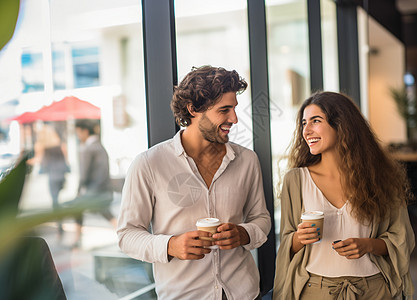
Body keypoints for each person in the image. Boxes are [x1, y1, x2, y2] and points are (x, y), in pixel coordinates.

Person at [117, 65, 271, 300]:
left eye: (234, 109)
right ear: (193, 109)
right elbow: (127, 235)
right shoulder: (149, 164)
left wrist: (244, 233)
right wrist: (170, 246)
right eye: (224, 110)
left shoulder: (247, 160)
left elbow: (261, 219)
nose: (234, 119)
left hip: (244, 293)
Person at [273, 92, 415, 300]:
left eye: (316, 121)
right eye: (304, 123)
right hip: (315, 290)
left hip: (374, 290)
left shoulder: (380, 178)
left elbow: (402, 239)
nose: (306, 130)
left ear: (342, 125)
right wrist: (299, 238)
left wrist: (368, 245)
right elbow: (287, 243)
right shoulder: (295, 180)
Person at [71, 119, 117, 248]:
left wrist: (79, 191)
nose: (78, 136)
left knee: (76, 207)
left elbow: (84, 174)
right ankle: (123, 234)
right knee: (105, 212)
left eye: (78, 132)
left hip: (95, 190)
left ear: (85, 131)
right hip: (103, 188)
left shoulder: (88, 148)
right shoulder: (99, 146)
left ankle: (77, 239)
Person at [31, 124, 70, 239]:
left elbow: (39, 159)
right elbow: (66, 159)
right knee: (57, 201)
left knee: (55, 202)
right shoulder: (59, 144)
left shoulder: (42, 146)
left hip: (52, 176)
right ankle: (60, 226)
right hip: (61, 175)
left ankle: (60, 226)